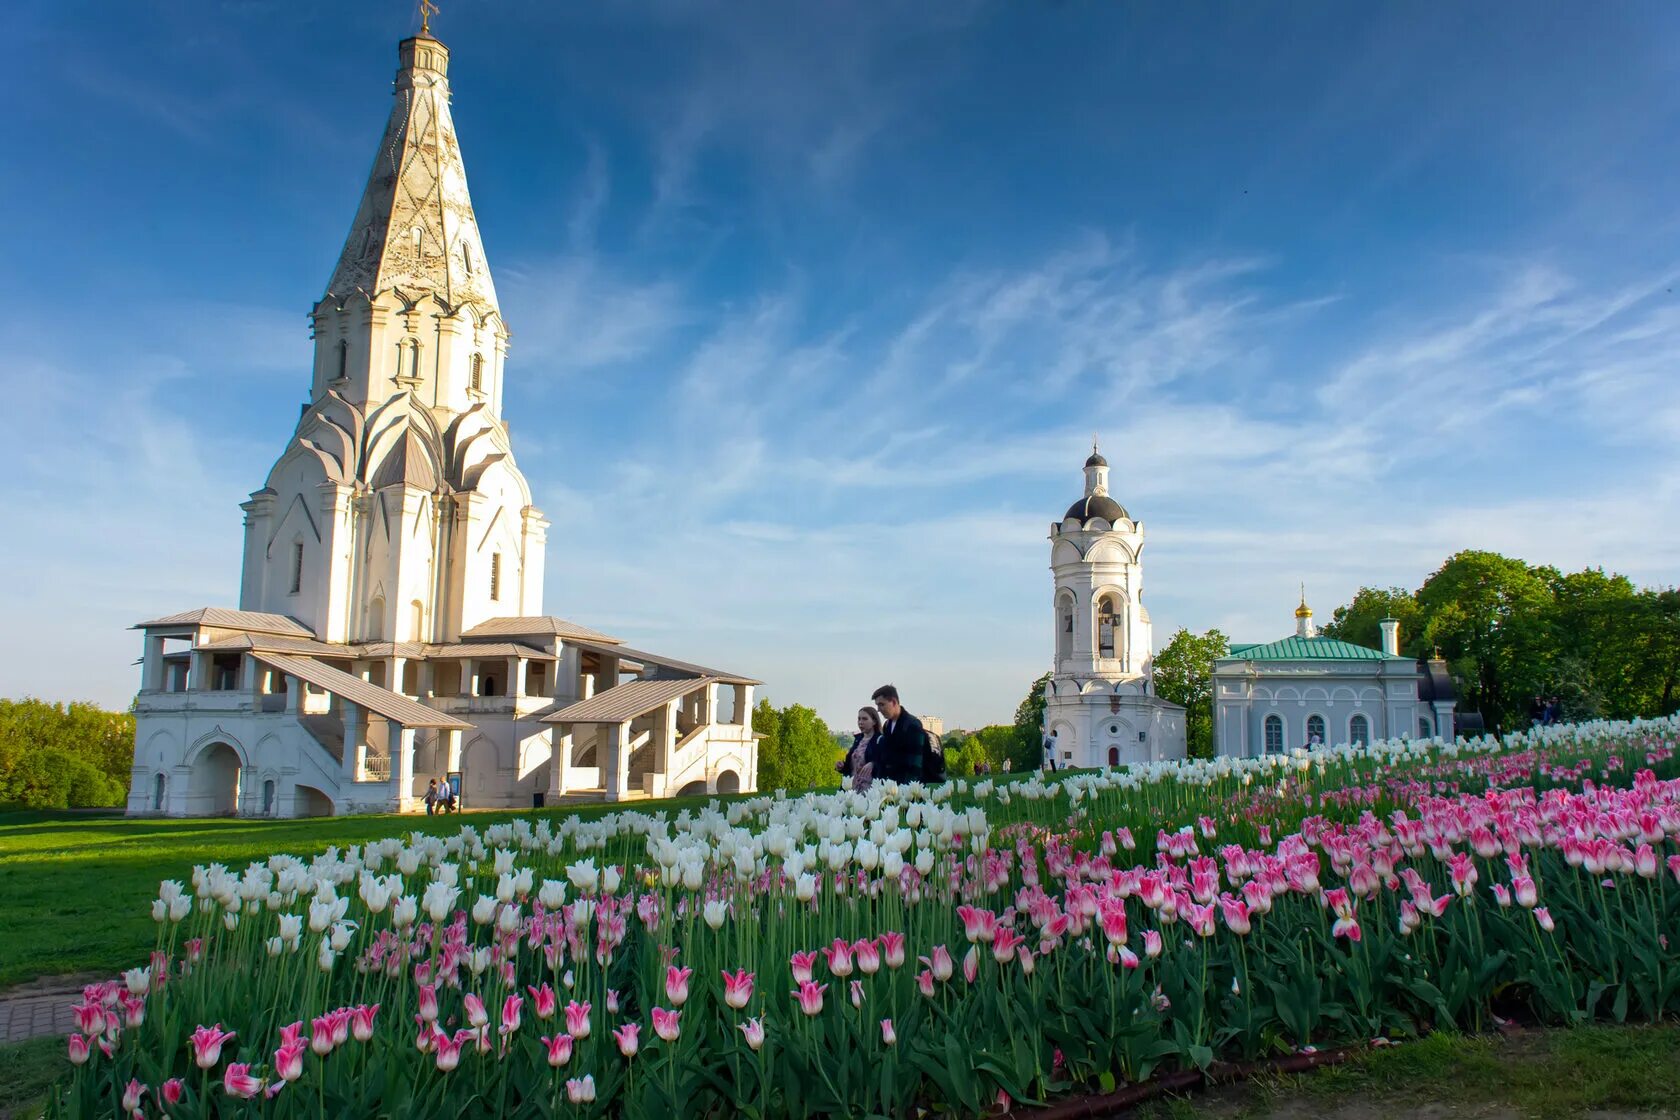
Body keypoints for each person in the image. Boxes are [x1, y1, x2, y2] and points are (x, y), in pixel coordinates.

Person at [871, 684, 927, 784]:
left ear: (893, 702)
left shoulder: (912, 724)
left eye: (881, 704)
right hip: (889, 785)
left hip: (907, 787)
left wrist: (907, 790)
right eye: (877, 705)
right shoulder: (887, 725)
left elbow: (915, 764)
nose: (878, 709)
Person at [837, 706, 883, 791]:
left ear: (874, 721)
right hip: (852, 789)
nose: (860, 722)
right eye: (859, 719)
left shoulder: (880, 740)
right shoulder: (857, 740)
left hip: (870, 789)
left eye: (864, 719)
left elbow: (887, 762)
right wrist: (842, 766)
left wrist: (873, 764)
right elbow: (851, 767)